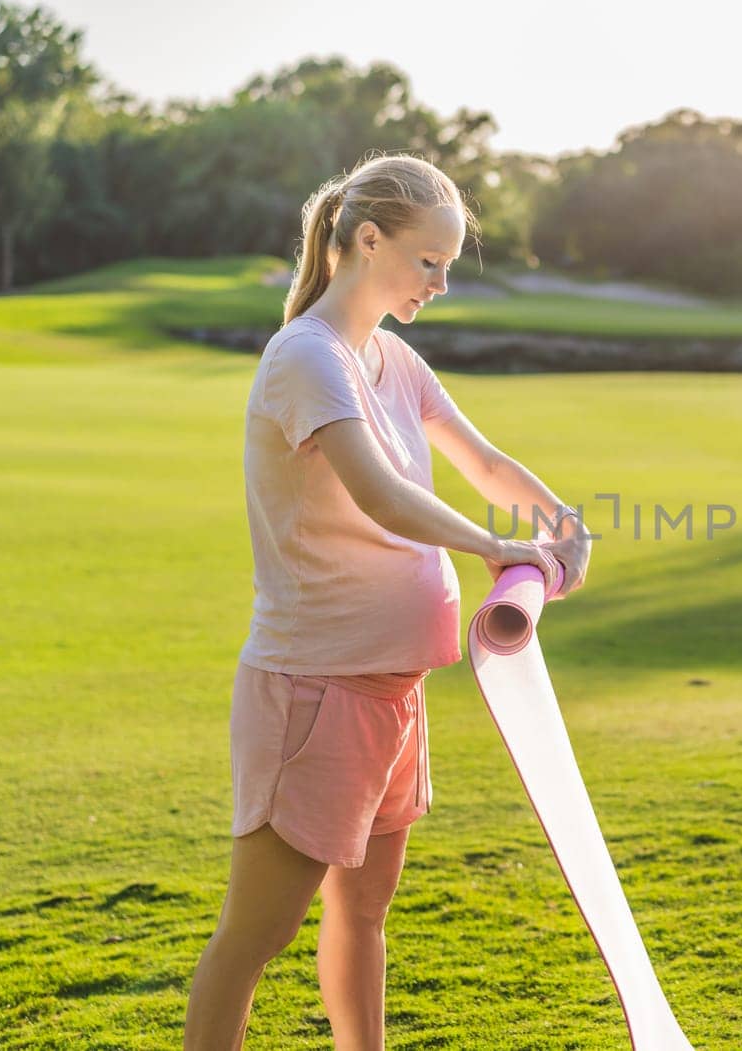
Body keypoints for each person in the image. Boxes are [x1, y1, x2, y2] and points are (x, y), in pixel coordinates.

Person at [184, 151, 591, 1050]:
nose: (442, 283)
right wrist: (493, 545)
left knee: (364, 915)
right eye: (430, 262)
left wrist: (558, 519)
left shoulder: (391, 358)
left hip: (392, 691)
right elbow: (378, 491)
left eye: (449, 265)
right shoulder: (306, 357)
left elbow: (481, 462)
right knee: (254, 938)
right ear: (369, 241)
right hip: (314, 689)